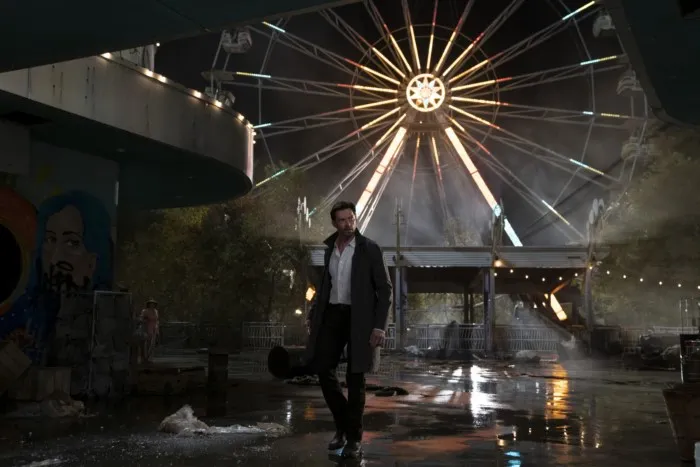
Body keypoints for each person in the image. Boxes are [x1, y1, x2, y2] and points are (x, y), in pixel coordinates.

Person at [304, 201, 392, 459]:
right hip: (333, 315)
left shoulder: (370, 249)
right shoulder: (330, 249)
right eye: (342, 220)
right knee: (322, 368)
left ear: (356, 218)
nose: (348, 224)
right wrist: (313, 314)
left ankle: (353, 439)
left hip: (360, 318)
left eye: (351, 219)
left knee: (356, 378)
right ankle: (344, 424)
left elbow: (385, 290)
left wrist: (379, 326)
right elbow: (326, 286)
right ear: (334, 223)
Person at [139, 299, 160, 363]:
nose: (152, 305)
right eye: (151, 304)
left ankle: (150, 358)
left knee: (152, 343)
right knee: (146, 343)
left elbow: (157, 320)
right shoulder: (145, 311)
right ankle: (144, 357)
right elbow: (141, 318)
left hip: (154, 327)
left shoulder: (156, 311)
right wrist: (145, 320)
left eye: (153, 304)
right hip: (147, 327)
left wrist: (157, 328)